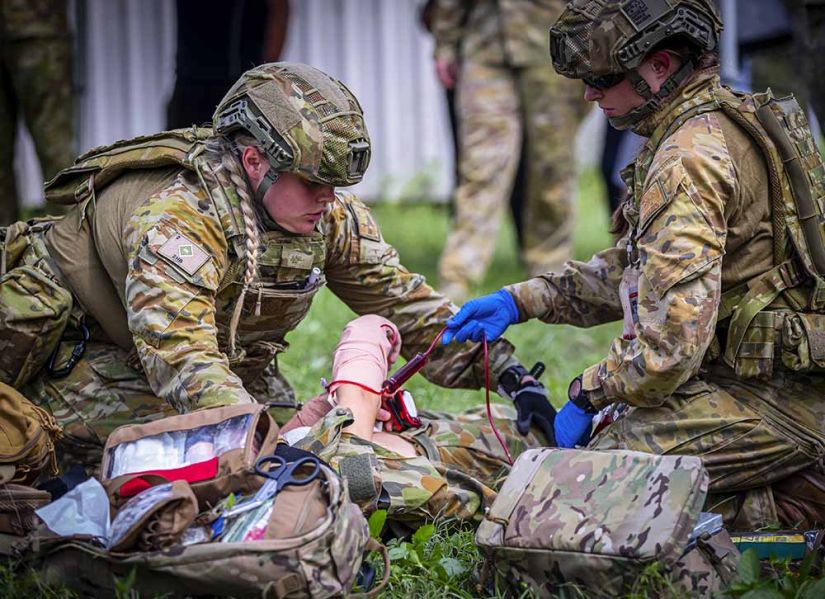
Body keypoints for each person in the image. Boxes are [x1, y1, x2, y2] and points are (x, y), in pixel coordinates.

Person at [0, 62, 556, 471]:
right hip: (92, 351)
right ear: (253, 159)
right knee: (167, 461)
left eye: (336, 185)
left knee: (316, 441)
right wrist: (267, 445)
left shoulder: (324, 212)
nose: (328, 199)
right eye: (313, 183)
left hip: (224, 362)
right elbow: (183, 358)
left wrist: (510, 375)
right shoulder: (179, 220)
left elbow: (402, 303)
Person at [444, 0, 825, 529]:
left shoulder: (688, 158)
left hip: (776, 400)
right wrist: (521, 299)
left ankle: (790, 504)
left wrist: (588, 391)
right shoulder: (714, 120)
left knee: (565, 496)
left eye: (602, 78)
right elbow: (639, 267)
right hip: (762, 383)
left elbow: (667, 351)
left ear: (660, 65)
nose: (589, 94)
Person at [282, 314, 544, 524]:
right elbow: (354, 471)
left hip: (437, 439)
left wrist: (334, 410)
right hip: (486, 450)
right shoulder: (341, 480)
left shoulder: (288, 465)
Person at [430, 0, 586, 302]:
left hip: (555, 39)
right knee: (480, 166)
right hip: (485, 43)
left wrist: (596, 42)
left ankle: (550, 273)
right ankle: (457, 276)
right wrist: (446, 42)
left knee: (552, 164)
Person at [0, 0, 75, 225]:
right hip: (37, 26)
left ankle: (69, 250)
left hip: (38, 26)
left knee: (56, 155)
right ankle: (6, 251)